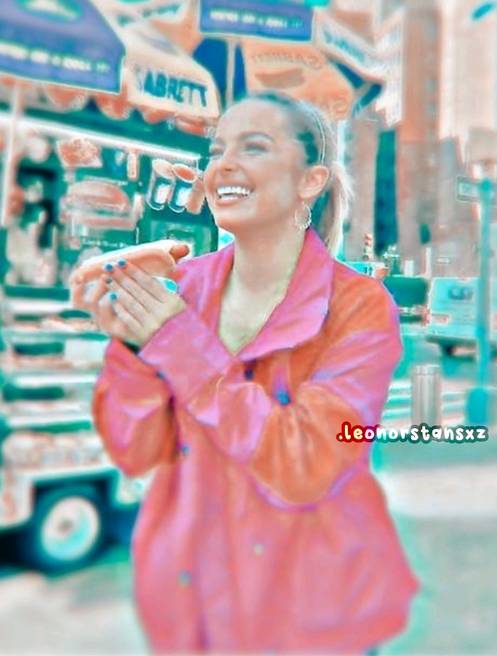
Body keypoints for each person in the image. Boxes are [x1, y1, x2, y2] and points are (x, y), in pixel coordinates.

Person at [77, 92, 420, 654]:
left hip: (315, 612)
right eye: (217, 151)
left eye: (253, 147)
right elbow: (137, 451)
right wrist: (133, 351)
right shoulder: (182, 287)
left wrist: (175, 344)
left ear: (310, 181)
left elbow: (305, 462)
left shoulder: (359, 306)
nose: (224, 165)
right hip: (192, 606)